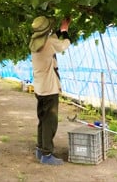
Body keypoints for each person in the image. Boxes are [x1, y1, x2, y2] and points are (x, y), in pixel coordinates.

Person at [29, 15, 71, 165]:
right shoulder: (50, 42)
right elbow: (64, 44)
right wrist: (65, 30)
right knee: (50, 121)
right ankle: (47, 154)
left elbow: (52, 40)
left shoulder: (34, 43)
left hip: (40, 88)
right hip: (49, 89)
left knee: (42, 119)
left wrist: (58, 31)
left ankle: (40, 149)